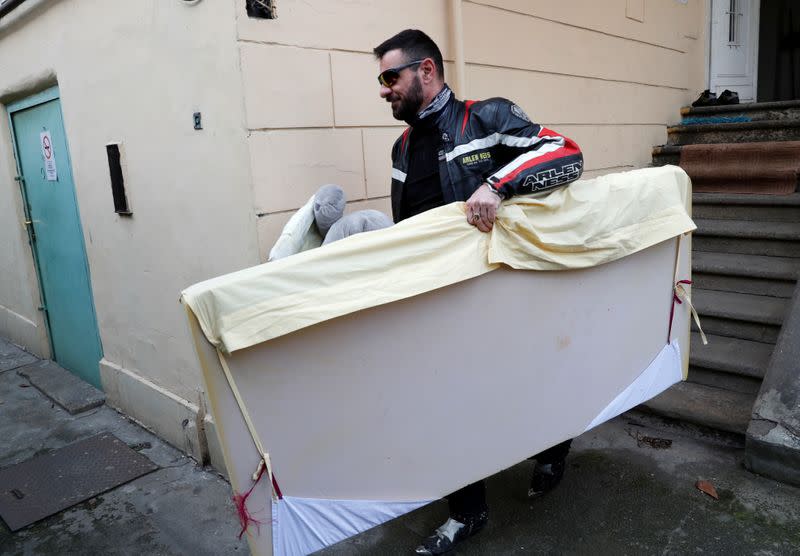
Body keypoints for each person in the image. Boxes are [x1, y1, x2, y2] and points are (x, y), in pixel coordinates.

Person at [373, 29, 584, 555]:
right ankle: (468, 514)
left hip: (503, 297)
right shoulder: (400, 148)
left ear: (425, 71)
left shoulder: (486, 118)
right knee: (442, 405)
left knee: (528, 385)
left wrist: (495, 185)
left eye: (389, 77)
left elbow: (567, 153)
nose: (383, 90)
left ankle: (554, 451)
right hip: (437, 302)